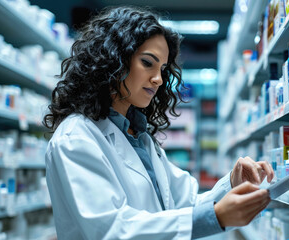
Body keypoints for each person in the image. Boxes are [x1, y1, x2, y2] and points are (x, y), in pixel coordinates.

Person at [43, 6, 274, 240]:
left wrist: (233, 183)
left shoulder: (139, 137)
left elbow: (184, 202)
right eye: (147, 63)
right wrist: (217, 217)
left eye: (162, 68)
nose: (158, 79)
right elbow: (111, 230)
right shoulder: (76, 138)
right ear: (113, 59)